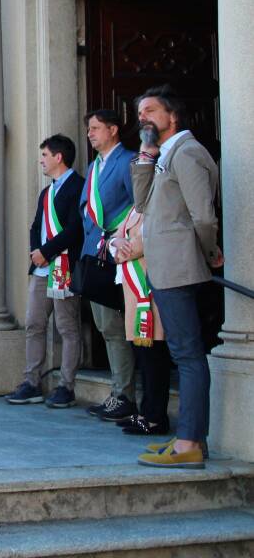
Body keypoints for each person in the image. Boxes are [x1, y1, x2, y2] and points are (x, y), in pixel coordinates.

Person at [132, 86, 222, 469]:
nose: (143, 118)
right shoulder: (163, 155)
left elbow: (203, 215)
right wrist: (145, 159)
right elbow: (141, 203)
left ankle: (189, 443)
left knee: (187, 354)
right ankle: (188, 438)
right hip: (165, 264)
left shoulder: (188, 153)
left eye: (151, 110)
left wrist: (207, 252)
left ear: (174, 116)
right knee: (182, 353)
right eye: (139, 114)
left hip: (181, 264)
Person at [6, 135, 85, 409]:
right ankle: (31, 382)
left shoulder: (79, 186)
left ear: (58, 157)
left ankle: (66, 386)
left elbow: (76, 229)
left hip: (64, 267)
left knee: (66, 328)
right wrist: (35, 252)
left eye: (44, 155)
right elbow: (34, 227)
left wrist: (47, 251)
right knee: (34, 325)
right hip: (42, 270)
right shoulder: (46, 192)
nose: (41, 160)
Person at [79, 109, 137, 422]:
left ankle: (124, 394)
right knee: (106, 326)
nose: (90, 134)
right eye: (89, 129)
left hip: (122, 254)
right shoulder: (94, 166)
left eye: (95, 128)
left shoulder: (127, 161)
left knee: (119, 327)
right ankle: (119, 392)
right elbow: (84, 208)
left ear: (113, 130)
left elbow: (140, 204)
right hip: (97, 254)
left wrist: (119, 235)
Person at [109, 208, 172, 436]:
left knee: (155, 357)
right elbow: (114, 237)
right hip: (134, 294)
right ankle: (147, 414)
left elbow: (147, 239)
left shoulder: (156, 201)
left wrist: (120, 250)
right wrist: (115, 243)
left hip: (150, 290)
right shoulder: (134, 207)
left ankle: (156, 418)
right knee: (144, 357)